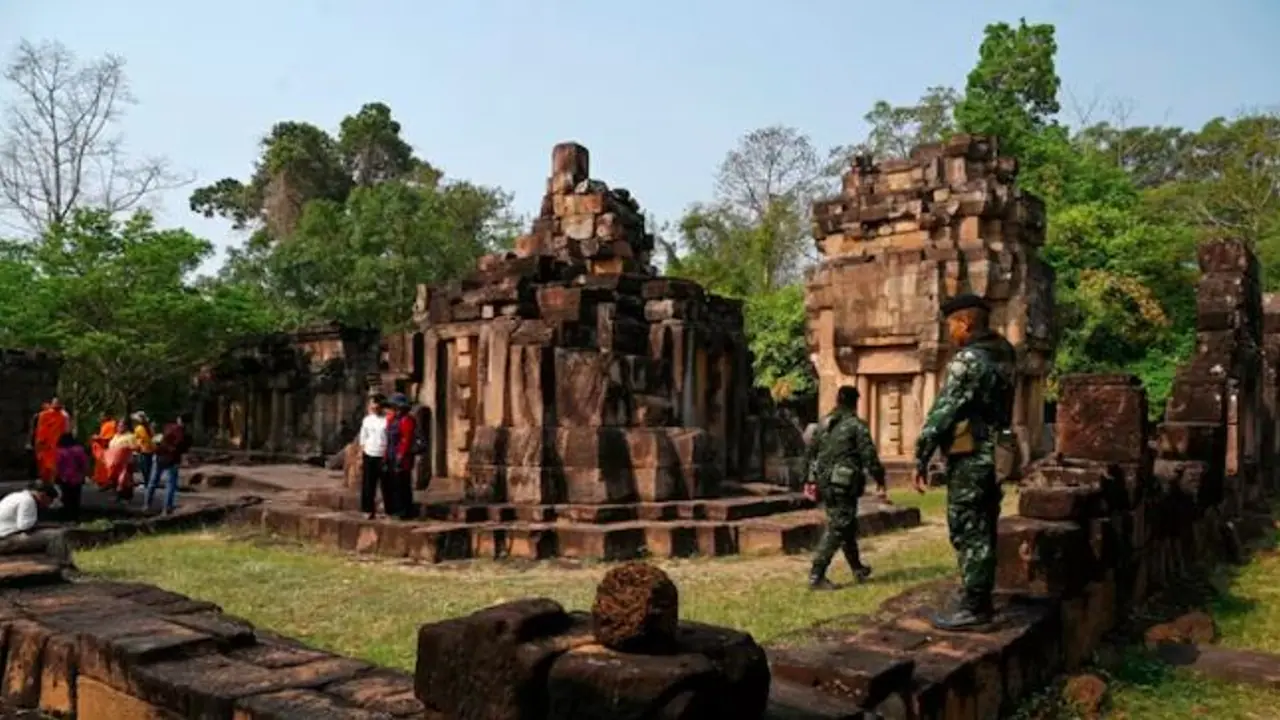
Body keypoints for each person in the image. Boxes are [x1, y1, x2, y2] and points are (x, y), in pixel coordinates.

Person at [912, 293, 1016, 631]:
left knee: (968, 528)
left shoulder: (968, 361)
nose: (950, 334)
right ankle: (977, 597)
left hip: (971, 456)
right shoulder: (1004, 355)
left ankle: (974, 607)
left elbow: (943, 413)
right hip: (996, 453)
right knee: (984, 525)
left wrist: (921, 456)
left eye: (952, 326)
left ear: (965, 323)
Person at [803, 385, 887, 591]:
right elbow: (869, 455)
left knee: (846, 526)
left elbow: (810, 453)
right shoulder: (855, 425)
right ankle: (817, 574)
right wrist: (880, 479)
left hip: (824, 482)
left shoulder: (823, 424)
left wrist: (809, 480)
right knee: (839, 527)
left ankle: (857, 568)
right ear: (855, 402)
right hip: (843, 482)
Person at [0, 484, 71, 566]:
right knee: (58, 535)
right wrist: (50, 526)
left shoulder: (15, 496)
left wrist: (51, 525)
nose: (49, 504)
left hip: (5, 536)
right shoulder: (28, 500)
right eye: (50, 500)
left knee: (50, 532)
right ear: (43, 495)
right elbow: (25, 526)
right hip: (5, 540)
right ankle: (60, 564)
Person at [146, 413, 191, 515]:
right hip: (173, 460)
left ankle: (146, 505)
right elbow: (184, 450)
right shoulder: (186, 435)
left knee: (153, 482)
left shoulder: (168, 427)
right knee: (170, 485)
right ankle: (166, 508)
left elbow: (158, 440)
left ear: (178, 419)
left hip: (159, 457)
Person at [383, 394, 417, 520]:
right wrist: (386, 456)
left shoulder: (407, 420)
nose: (394, 410)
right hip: (391, 453)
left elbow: (406, 440)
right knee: (392, 484)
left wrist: (400, 456)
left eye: (396, 407)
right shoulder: (392, 420)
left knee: (402, 484)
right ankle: (394, 508)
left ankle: (404, 510)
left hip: (402, 457)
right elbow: (388, 439)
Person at [358, 394, 391, 519]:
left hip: (383, 454)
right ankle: (367, 509)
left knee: (386, 484)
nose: (373, 407)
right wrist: (361, 456)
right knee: (368, 484)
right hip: (369, 453)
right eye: (371, 404)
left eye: (375, 404)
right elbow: (363, 438)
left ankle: (389, 509)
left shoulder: (387, 420)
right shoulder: (367, 420)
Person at [54, 433, 89, 522]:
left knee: (66, 497)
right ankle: (75, 517)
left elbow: (57, 465)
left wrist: (57, 476)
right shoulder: (79, 450)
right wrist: (84, 474)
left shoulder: (59, 451)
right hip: (77, 478)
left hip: (65, 478)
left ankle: (66, 517)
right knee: (76, 498)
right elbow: (84, 464)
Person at [33, 399, 69, 483]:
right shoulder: (44, 415)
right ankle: (46, 482)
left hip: (57, 445)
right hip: (46, 444)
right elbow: (41, 429)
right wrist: (40, 441)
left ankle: (51, 482)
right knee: (44, 466)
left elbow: (65, 430)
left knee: (53, 465)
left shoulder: (62, 416)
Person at [104, 417, 138, 501]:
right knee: (115, 479)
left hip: (126, 462)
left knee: (125, 480)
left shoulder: (130, 436)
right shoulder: (115, 436)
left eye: (122, 426)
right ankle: (117, 496)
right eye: (119, 426)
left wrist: (125, 449)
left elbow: (135, 447)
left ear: (126, 427)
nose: (120, 427)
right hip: (114, 463)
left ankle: (126, 497)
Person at [90, 414, 118, 490]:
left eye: (102, 416)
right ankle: (102, 482)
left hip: (107, 450)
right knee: (101, 467)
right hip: (102, 450)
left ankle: (107, 483)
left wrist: (98, 438)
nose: (100, 418)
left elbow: (109, 438)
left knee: (106, 467)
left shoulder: (111, 424)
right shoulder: (104, 425)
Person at [132, 412, 156, 490]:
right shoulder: (149, 427)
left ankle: (147, 483)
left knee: (144, 468)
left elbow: (137, 439)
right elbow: (152, 436)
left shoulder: (139, 428)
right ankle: (148, 483)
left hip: (143, 449)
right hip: (150, 449)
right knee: (148, 467)